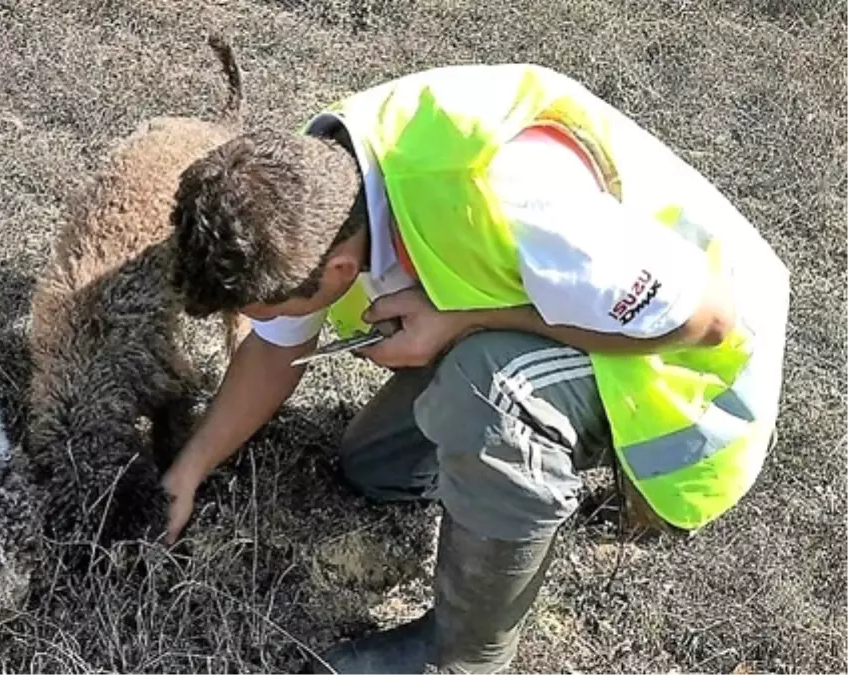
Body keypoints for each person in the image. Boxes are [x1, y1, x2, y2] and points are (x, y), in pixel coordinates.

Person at [162, 63, 790, 674]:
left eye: (259, 307)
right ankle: (499, 493)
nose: (261, 319)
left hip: (689, 372)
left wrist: (464, 322)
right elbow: (274, 349)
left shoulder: (518, 193)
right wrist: (188, 470)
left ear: (337, 276)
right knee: (375, 466)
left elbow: (707, 321)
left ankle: (462, 651)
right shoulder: (313, 186)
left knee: (489, 391)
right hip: (587, 307)